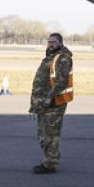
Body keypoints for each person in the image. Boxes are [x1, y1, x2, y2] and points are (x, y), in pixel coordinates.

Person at [29, 33, 73, 174]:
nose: (51, 44)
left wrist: (49, 98)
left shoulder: (62, 59)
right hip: (44, 103)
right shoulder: (50, 57)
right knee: (42, 135)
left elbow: (61, 82)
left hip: (54, 103)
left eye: (54, 41)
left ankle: (50, 164)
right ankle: (50, 158)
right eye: (49, 41)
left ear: (60, 43)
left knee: (51, 134)